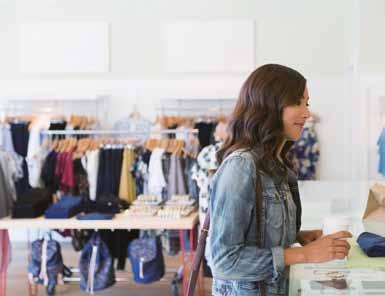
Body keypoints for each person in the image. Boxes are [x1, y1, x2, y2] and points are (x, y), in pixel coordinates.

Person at [207, 64, 352, 295]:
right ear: (269, 105)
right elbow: (223, 260)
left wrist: (299, 237)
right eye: (297, 102)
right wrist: (305, 254)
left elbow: (257, 232)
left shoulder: (278, 166)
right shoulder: (241, 166)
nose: (306, 113)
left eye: (307, 103)